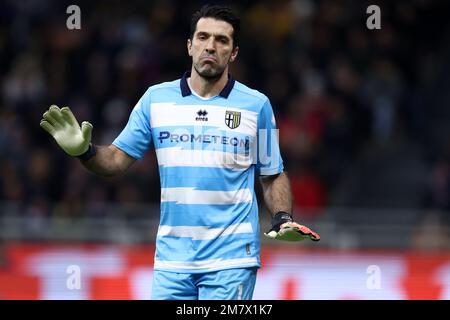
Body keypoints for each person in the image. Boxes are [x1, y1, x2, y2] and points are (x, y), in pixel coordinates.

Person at [39, 4, 320, 300]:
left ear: (233, 52)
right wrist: (84, 151)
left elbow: (272, 174)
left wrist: (282, 217)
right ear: (190, 45)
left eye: (222, 40)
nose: (210, 46)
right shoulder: (155, 100)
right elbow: (115, 160)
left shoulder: (256, 105)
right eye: (203, 37)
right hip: (171, 262)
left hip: (232, 260)